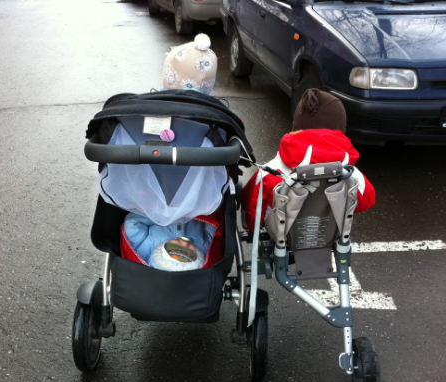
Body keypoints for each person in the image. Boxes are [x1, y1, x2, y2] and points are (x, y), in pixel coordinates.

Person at [121, 34, 222, 271]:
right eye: (188, 252)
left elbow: (131, 226)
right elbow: (213, 232)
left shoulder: (145, 248)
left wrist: (152, 212)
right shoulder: (216, 119)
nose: (183, 245)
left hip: (152, 194)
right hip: (199, 200)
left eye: (175, 250)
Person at [241, 88, 376, 231]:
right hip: (327, 235)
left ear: (297, 126)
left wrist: (251, 227)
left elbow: (251, 214)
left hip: (280, 237)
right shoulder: (349, 175)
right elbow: (366, 201)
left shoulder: (270, 173)